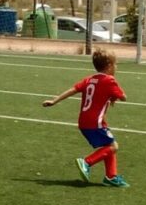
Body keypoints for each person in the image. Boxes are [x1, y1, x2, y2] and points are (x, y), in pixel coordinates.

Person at [42, 47, 130, 188]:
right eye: (115, 64)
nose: (116, 67)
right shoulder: (109, 80)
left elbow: (72, 90)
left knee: (108, 144)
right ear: (109, 66)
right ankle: (87, 162)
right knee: (113, 146)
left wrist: (54, 101)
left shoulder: (89, 79)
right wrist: (115, 95)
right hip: (95, 123)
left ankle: (111, 177)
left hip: (84, 122)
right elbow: (124, 97)